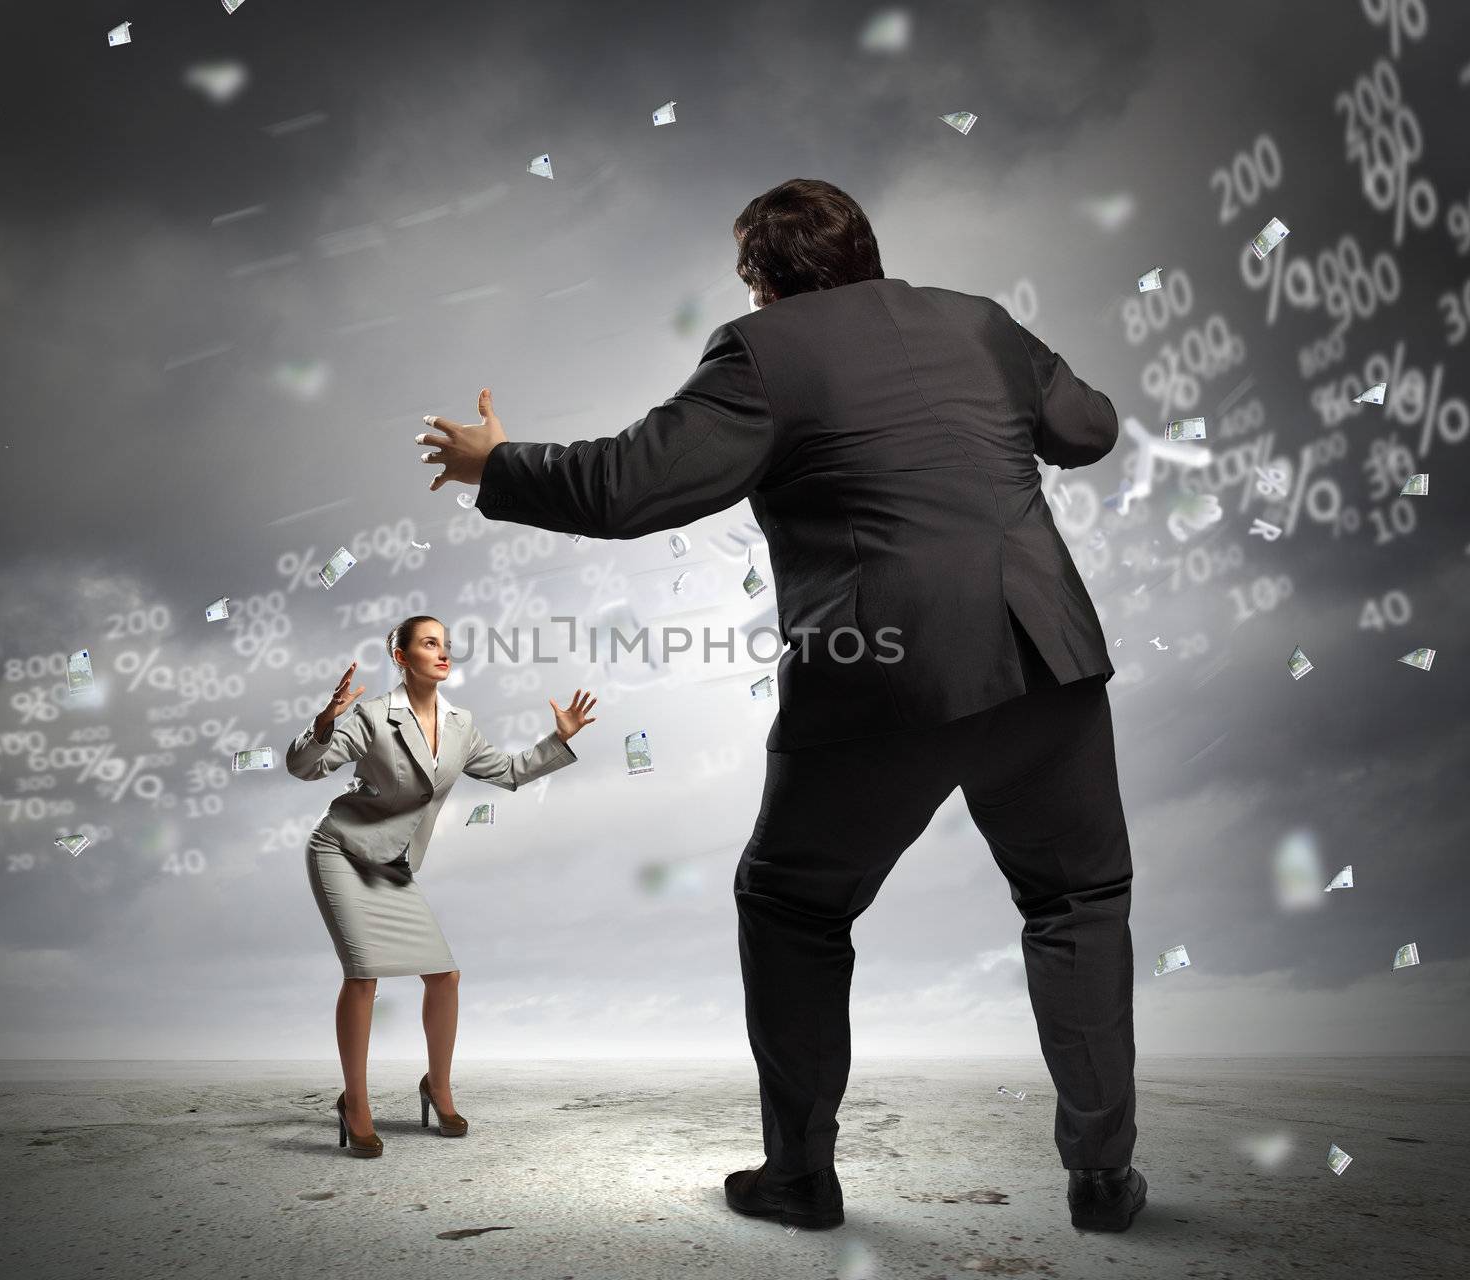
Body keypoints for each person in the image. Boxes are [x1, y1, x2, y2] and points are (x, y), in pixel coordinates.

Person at [416, 178, 1144, 1233]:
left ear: (761, 282)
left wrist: (500, 466)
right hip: (1044, 651)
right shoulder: (977, 321)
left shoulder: (762, 355)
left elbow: (631, 486)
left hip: (881, 669)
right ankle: (1102, 1180)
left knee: (795, 904)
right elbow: (1086, 428)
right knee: (1076, 899)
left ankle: (799, 1176)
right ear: (868, 255)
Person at [285, 614, 596, 1157]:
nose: (443, 651)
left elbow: (511, 771)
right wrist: (322, 725)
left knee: (445, 976)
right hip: (342, 850)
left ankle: (438, 1087)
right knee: (363, 976)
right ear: (402, 658)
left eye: (446, 644)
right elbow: (304, 768)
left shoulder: (460, 726)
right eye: (430, 643)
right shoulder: (373, 716)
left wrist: (558, 739)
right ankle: (355, 1103)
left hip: (395, 867)